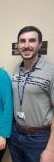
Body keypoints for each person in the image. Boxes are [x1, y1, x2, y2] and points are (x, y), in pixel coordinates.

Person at [9, 26, 54, 162]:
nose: (26, 45)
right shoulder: (17, 69)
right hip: (16, 135)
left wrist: (51, 149)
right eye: (22, 41)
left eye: (32, 41)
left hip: (39, 138)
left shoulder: (50, 71)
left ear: (39, 44)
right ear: (18, 45)